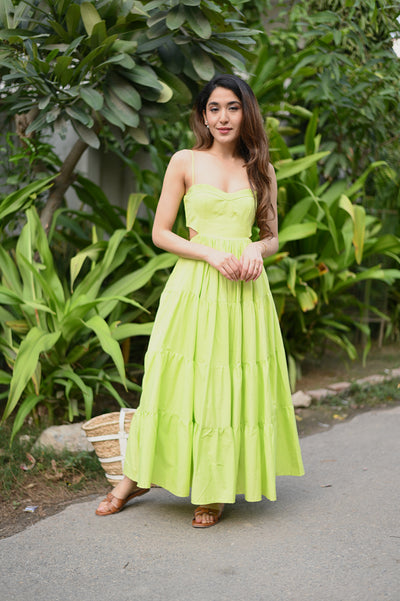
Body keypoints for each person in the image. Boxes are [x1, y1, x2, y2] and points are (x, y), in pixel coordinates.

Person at [95, 74, 304, 528]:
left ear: (246, 113)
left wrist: (255, 249)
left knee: (228, 387)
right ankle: (136, 478)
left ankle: (214, 488)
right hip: (195, 286)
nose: (223, 117)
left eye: (233, 107)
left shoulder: (261, 169)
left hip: (245, 292)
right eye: (214, 108)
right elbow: (161, 232)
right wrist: (210, 253)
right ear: (203, 116)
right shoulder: (185, 161)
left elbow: (271, 236)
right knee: (172, 383)